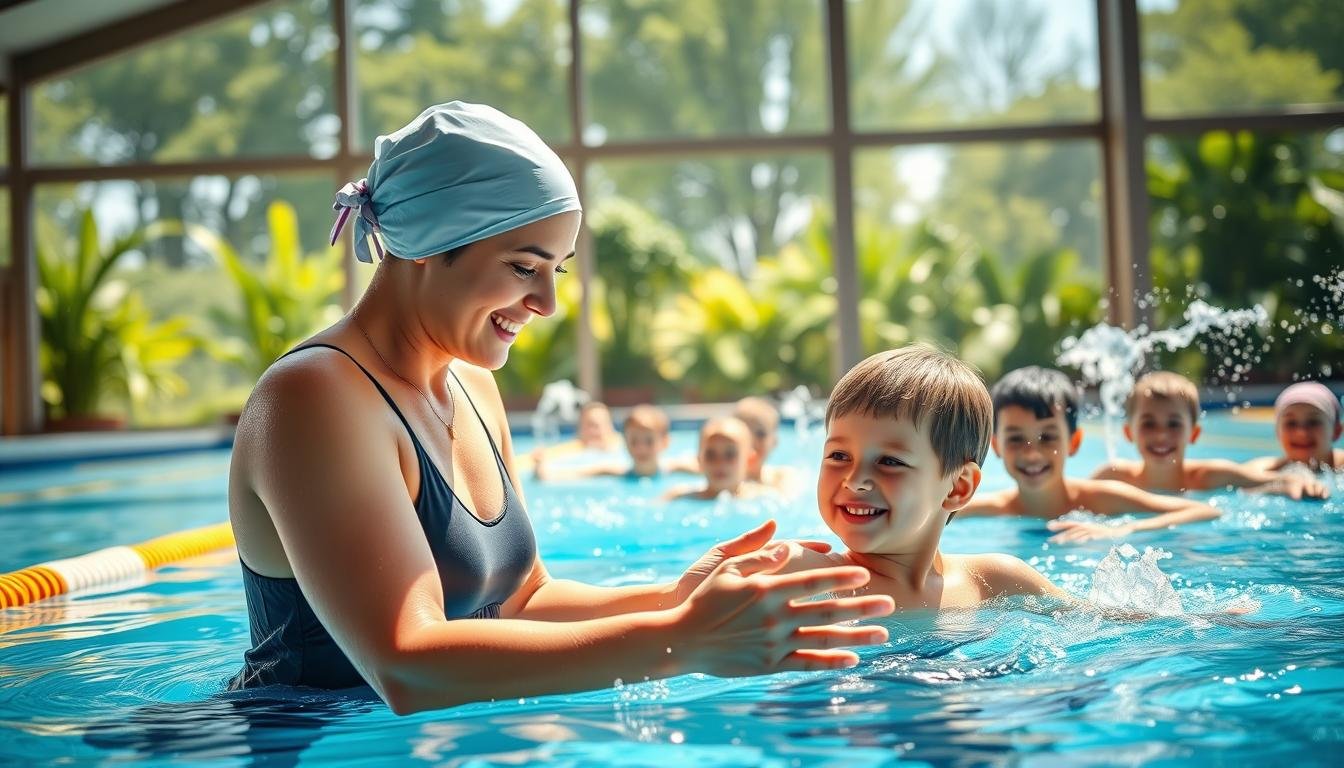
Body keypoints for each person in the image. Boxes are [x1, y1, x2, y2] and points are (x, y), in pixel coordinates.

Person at [227, 102, 893, 713]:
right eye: (524, 267)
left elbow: (522, 601)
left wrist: (679, 598)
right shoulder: (314, 398)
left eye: (558, 271)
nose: (547, 303)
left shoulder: (470, 384)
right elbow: (405, 666)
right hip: (311, 743)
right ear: (427, 243)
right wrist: (681, 640)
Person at [767, 345, 1066, 608]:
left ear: (957, 488)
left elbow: (1107, 628)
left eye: (889, 461)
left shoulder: (993, 584)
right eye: (839, 456)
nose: (855, 479)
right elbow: (723, 592)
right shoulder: (802, 576)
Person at [959, 366, 1220, 543]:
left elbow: (1203, 511)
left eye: (1048, 437)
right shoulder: (991, 508)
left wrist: (1123, 529)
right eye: (1016, 439)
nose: (1032, 453)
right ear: (996, 446)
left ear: (1074, 442)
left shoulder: (1101, 499)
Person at [1091, 372, 1327, 499]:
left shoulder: (1210, 476)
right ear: (1128, 433)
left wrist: (1303, 484)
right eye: (1148, 424)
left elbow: (1281, 479)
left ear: (1193, 434)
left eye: (1173, 424)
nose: (1161, 435)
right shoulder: (1114, 477)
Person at [535, 404, 689, 480]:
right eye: (634, 441)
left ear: (665, 442)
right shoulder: (615, 471)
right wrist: (540, 466)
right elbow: (569, 474)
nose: (640, 448)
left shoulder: (676, 468)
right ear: (624, 441)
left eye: (648, 441)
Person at [1244, 381, 1343, 473]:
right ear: (1278, 432)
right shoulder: (1268, 469)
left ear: (1336, 431)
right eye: (1291, 423)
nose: (1301, 433)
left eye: (1313, 422)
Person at [666, 417, 771, 500]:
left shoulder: (763, 497)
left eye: (730, 454)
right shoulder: (678, 497)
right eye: (711, 455)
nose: (719, 463)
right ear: (699, 460)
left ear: (749, 460)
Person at [734, 396, 795, 490]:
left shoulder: (781, 477)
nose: (752, 441)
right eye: (745, 432)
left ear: (774, 442)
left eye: (760, 434)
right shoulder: (717, 478)